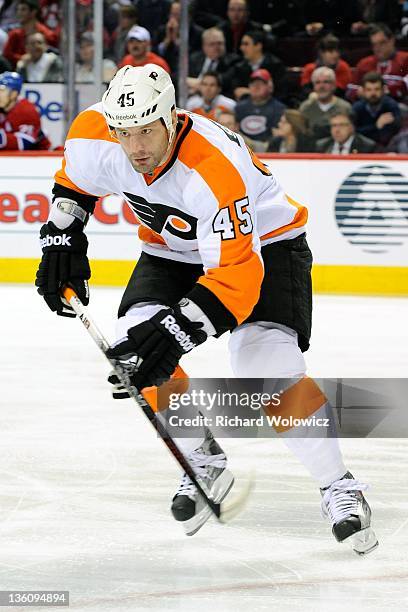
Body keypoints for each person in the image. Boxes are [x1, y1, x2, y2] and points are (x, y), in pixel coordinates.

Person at [34, 63, 378, 554]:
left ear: (172, 117)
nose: (136, 149)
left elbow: (237, 277)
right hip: (170, 250)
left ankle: (340, 486)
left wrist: (175, 332)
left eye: (147, 132)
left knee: (265, 368)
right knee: (135, 342)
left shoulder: (213, 169)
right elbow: (76, 182)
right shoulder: (95, 132)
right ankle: (202, 459)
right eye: (124, 134)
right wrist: (61, 238)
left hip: (267, 248)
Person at [352, 23, 408, 103]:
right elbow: (350, 90)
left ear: (392, 40)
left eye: (382, 43)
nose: (377, 48)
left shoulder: (405, 59)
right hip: (369, 108)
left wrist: (390, 90)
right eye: (374, 44)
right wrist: (359, 92)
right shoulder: (364, 63)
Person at [235, 68, 285, 152]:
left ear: (269, 87)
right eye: (253, 83)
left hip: (267, 152)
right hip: (242, 150)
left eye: (260, 83)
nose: (256, 87)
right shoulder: (239, 108)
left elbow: (277, 136)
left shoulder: (279, 109)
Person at [229, 29, 286, 101]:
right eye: (242, 44)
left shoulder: (276, 65)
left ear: (258, 46)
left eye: (246, 44)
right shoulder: (239, 67)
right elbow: (236, 91)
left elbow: (281, 94)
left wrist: (250, 92)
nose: (241, 48)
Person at [0, 70, 50, 149]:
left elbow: (27, 142)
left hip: (39, 156)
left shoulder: (26, 110)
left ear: (14, 94)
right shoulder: (3, 108)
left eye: (1, 90)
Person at [299, 66, 352, 140]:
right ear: (313, 86)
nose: (321, 86)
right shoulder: (305, 108)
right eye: (317, 82)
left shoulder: (345, 108)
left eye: (326, 82)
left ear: (334, 85)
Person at [3, 0, 58, 68]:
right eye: (18, 10)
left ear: (33, 12)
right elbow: (7, 54)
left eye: (23, 9)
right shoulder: (14, 34)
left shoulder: (47, 35)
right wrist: (22, 58)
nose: (19, 13)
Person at [352, 72, 401, 147]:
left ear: (383, 90)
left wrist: (368, 130)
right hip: (361, 147)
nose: (373, 93)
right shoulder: (357, 107)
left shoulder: (391, 106)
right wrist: (376, 126)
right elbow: (353, 133)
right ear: (363, 91)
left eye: (377, 89)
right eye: (369, 90)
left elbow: (390, 135)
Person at [188, 27, 238, 96]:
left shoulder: (232, 61)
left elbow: (224, 80)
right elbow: (177, 76)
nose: (217, 47)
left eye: (220, 43)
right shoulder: (194, 58)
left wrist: (200, 84)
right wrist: (186, 80)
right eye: (212, 44)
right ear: (204, 46)